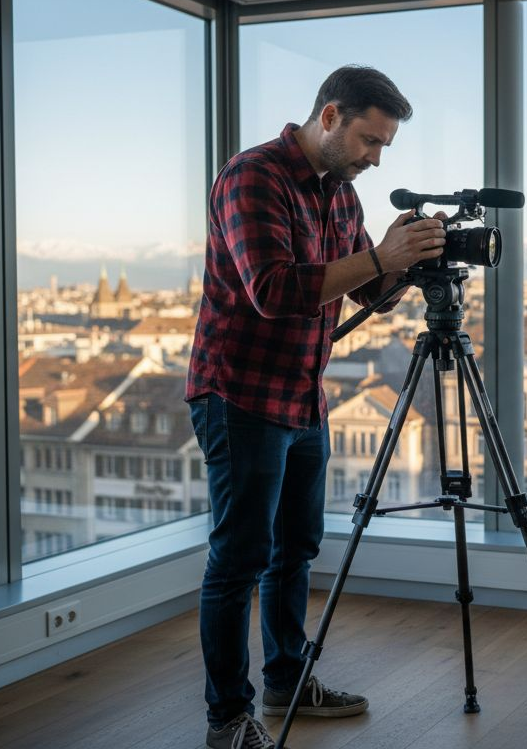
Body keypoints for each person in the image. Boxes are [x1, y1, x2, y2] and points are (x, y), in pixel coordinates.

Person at [186, 65, 447, 749]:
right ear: (329, 116)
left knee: (295, 547)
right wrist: (380, 258)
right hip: (238, 391)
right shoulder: (254, 176)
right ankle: (226, 719)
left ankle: (286, 680)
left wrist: (405, 259)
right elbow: (273, 289)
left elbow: (369, 294)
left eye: (385, 145)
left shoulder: (340, 195)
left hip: (303, 391)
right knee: (239, 556)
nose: (375, 157)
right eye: (368, 139)